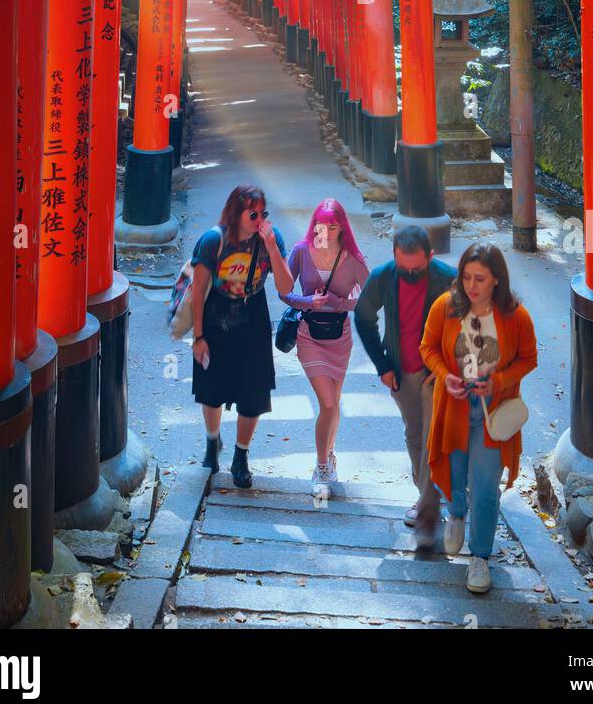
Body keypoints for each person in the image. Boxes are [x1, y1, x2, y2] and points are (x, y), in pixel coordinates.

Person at [420, 241, 538, 594]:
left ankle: (481, 556)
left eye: (481, 279)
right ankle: (456, 512)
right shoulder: (446, 307)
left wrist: (498, 381)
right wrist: (444, 374)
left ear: (497, 281)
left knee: (486, 486)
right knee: (453, 473)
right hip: (453, 405)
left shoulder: (516, 316)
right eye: (467, 277)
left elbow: (529, 359)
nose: (472, 286)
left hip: (492, 412)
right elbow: (427, 347)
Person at [354, 225, 454, 551]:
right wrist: (382, 365)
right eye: (404, 266)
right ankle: (427, 494)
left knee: (431, 441)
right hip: (401, 373)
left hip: (434, 375)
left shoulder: (447, 280)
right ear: (394, 257)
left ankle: (428, 517)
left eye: (417, 267)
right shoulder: (384, 277)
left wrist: (446, 368)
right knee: (414, 435)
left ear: (430, 256)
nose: (410, 273)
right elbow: (363, 316)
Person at [191, 184, 294, 488]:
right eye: (253, 214)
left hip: (254, 315)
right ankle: (212, 443)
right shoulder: (214, 240)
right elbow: (197, 291)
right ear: (237, 214)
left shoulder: (269, 241)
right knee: (211, 387)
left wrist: (273, 248)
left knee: (254, 390)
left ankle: (241, 455)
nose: (259, 219)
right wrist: (198, 337)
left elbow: (286, 288)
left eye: (264, 213)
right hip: (215, 314)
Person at [281, 198, 369, 497]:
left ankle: (330, 454)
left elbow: (370, 300)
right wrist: (308, 302)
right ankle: (320, 467)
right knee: (328, 403)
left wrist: (338, 303)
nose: (328, 232)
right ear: (314, 225)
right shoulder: (301, 251)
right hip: (309, 335)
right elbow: (284, 291)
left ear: (342, 227)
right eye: (323, 226)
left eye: (334, 226)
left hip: (340, 336)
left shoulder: (353, 259)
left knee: (333, 404)